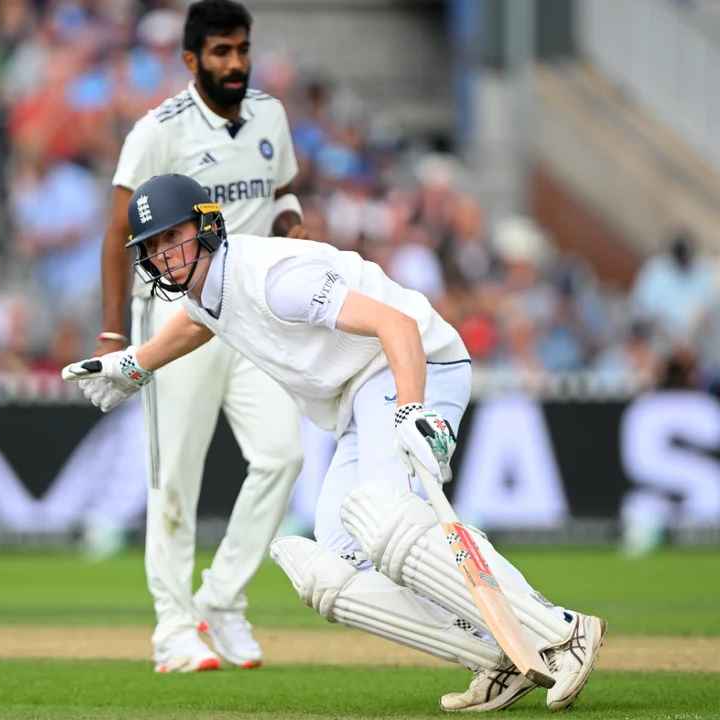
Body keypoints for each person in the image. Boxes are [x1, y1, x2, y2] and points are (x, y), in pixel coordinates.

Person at [65, 174, 605, 711]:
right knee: (340, 563)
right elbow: (198, 323)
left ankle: (561, 632)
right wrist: (136, 364)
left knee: (387, 523)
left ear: (206, 226)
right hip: (357, 396)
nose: (164, 254)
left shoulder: (274, 278)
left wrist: (413, 409)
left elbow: (396, 325)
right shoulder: (211, 291)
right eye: (152, 246)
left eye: (172, 235)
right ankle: (498, 655)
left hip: (413, 366)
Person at [96, 0, 308, 673]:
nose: (235, 63)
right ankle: (172, 631)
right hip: (173, 313)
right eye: (220, 52)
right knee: (174, 479)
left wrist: (291, 225)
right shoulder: (159, 130)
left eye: (241, 49)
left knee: (282, 456)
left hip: (249, 312)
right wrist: (111, 335)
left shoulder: (270, 114)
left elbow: (282, 194)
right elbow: (115, 231)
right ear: (192, 61)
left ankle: (220, 599)